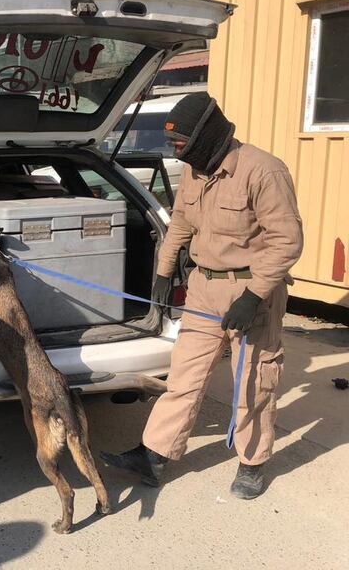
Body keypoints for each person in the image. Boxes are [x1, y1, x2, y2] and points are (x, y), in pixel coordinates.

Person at [101, 92, 304, 500]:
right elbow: (179, 222)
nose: (177, 153)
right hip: (203, 290)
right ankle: (154, 456)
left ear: (207, 136)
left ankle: (252, 463)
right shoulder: (196, 170)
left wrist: (253, 295)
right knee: (183, 377)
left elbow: (287, 242)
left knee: (254, 382)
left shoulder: (264, 171)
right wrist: (162, 271)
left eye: (181, 144)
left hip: (251, 292)